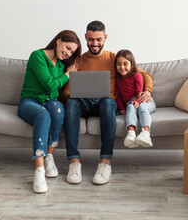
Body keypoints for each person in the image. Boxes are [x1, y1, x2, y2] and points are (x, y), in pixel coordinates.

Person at [60, 21, 153, 185]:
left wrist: (148, 91)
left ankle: (105, 162)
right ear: (85, 38)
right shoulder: (78, 60)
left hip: (105, 102)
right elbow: (66, 89)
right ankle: (74, 162)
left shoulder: (114, 58)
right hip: (83, 103)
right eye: (91, 39)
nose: (94, 43)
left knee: (108, 103)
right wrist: (72, 94)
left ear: (105, 38)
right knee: (71, 104)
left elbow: (143, 74)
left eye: (98, 39)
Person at [18, 30, 81, 193]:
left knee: (59, 108)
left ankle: (49, 156)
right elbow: (49, 85)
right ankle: (39, 170)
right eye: (67, 47)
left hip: (49, 102)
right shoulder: (37, 56)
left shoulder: (61, 64)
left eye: (71, 52)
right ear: (58, 41)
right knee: (43, 114)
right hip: (29, 102)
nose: (68, 53)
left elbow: (54, 92)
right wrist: (67, 75)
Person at [115, 49, 156, 148]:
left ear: (132, 65)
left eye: (125, 64)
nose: (122, 67)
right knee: (130, 107)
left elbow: (139, 91)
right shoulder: (117, 80)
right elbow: (118, 97)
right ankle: (131, 133)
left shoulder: (137, 76)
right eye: (119, 64)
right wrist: (122, 108)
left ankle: (146, 133)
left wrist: (137, 101)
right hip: (131, 103)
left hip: (144, 100)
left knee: (141, 107)